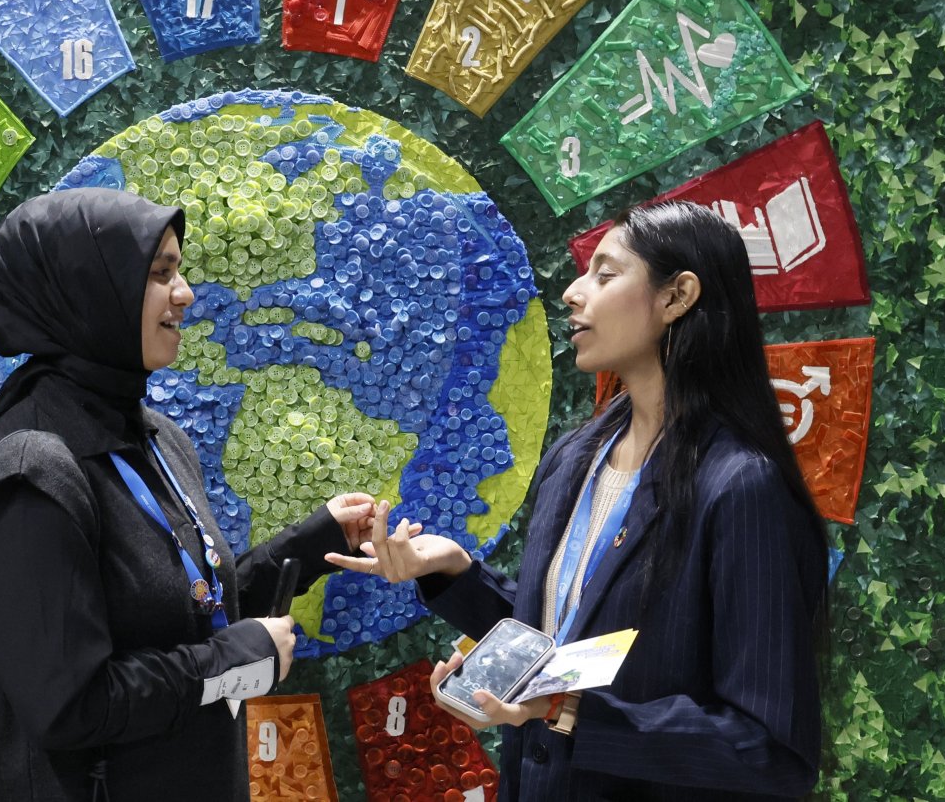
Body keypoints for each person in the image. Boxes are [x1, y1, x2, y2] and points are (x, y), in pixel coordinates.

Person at [328, 200, 829, 800]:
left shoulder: (740, 486)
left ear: (677, 297)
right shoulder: (577, 456)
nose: (572, 292)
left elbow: (769, 752)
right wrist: (455, 573)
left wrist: (568, 709)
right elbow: (569, 642)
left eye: (606, 274)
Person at [0, 188, 378, 801]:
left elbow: (184, 609)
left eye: (177, 272)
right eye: (158, 275)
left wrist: (314, 543)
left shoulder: (154, 437)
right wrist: (230, 662)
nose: (183, 295)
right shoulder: (33, 468)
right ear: (87, 292)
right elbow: (68, 705)